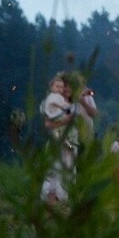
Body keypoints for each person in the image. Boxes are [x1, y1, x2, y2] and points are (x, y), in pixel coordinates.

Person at [39, 75, 76, 203]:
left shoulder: (71, 105)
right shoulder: (53, 102)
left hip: (71, 140)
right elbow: (48, 124)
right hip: (57, 139)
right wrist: (64, 122)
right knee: (54, 167)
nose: (63, 91)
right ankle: (51, 198)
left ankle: (62, 199)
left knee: (67, 168)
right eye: (61, 88)